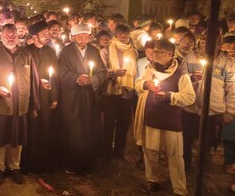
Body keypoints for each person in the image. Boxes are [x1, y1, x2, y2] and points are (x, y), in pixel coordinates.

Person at [134, 39, 195, 196]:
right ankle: (153, 181)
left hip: (170, 122)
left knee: (175, 156)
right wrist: (146, 84)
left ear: (170, 54)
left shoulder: (181, 74)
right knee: (150, 152)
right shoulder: (150, 68)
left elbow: (189, 97)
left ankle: (179, 189)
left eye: (159, 52)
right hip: (151, 117)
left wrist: (169, 97)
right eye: (154, 51)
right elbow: (138, 83)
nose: (154, 54)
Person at [0, 24, 40, 185]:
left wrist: (34, 105)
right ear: (1, 36)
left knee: (18, 138)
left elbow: (34, 81)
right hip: (0, 105)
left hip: (21, 106)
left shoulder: (26, 54)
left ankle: (15, 167)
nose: (11, 37)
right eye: (7, 35)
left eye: (13, 34)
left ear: (18, 36)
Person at [58, 23, 106, 173]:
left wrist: (93, 80)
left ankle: (88, 164)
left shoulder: (94, 51)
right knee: (73, 130)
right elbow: (61, 72)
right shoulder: (66, 52)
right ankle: (72, 164)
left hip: (89, 97)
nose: (84, 39)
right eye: (80, 36)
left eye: (86, 36)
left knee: (89, 129)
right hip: (72, 96)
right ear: (73, 37)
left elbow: (102, 72)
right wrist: (77, 78)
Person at [23, 20, 59, 173]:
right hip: (30, 96)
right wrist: (38, 83)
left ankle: (43, 164)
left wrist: (54, 96)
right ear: (34, 36)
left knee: (44, 128)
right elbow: (24, 75)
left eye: (47, 33)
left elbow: (55, 76)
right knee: (30, 130)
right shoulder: (25, 52)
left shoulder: (51, 52)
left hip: (45, 95)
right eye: (43, 34)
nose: (47, 36)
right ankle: (27, 164)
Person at [100, 24, 138, 161]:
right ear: (115, 35)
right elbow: (101, 70)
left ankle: (119, 150)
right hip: (110, 92)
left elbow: (135, 71)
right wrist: (113, 73)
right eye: (121, 35)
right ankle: (105, 151)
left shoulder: (133, 51)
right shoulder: (106, 51)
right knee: (109, 122)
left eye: (126, 35)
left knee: (124, 122)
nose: (123, 37)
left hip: (127, 92)